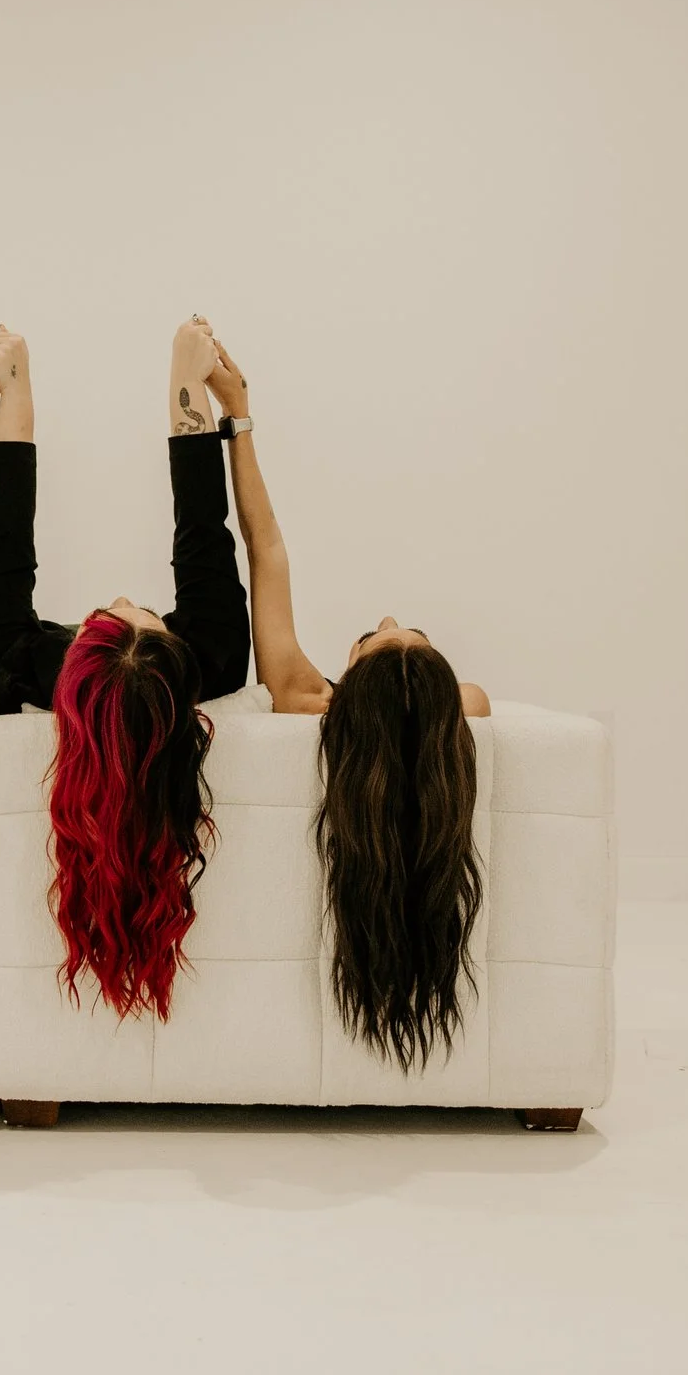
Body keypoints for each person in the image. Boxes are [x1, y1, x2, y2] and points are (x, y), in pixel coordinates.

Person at [209, 333, 492, 1072]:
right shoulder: (467, 710)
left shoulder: (307, 701)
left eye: (376, 635)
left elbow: (266, 550)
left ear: (352, 688)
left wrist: (238, 417)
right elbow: (451, 702)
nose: (389, 615)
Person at [0, 319, 251, 1020]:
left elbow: (4, 541)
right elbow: (203, 534)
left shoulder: (6, 668)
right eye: (138, 612)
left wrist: (14, 391)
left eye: (111, 612)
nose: (122, 597)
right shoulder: (212, 657)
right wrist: (190, 383)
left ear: (81, 650)